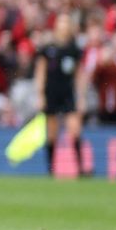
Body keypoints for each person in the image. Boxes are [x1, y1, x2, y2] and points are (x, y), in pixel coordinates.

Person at [34, 17, 88, 176]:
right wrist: (40, 95)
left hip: (67, 93)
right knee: (51, 132)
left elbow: (79, 74)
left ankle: (80, 168)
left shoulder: (74, 49)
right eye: (61, 23)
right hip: (51, 92)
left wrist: (81, 96)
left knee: (75, 129)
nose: (64, 26)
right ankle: (51, 168)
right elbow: (41, 72)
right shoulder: (48, 48)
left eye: (66, 23)